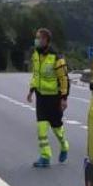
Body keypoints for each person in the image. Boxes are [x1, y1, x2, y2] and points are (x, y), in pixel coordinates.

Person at [26, 28, 70, 168]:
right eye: (36, 37)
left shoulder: (56, 57)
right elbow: (36, 75)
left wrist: (64, 98)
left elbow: (64, 79)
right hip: (41, 98)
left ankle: (64, 145)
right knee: (41, 129)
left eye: (39, 38)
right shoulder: (36, 55)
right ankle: (45, 156)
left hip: (54, 99)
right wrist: (31, 90)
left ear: (46, 40)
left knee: (57, 129)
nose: (37, 40)